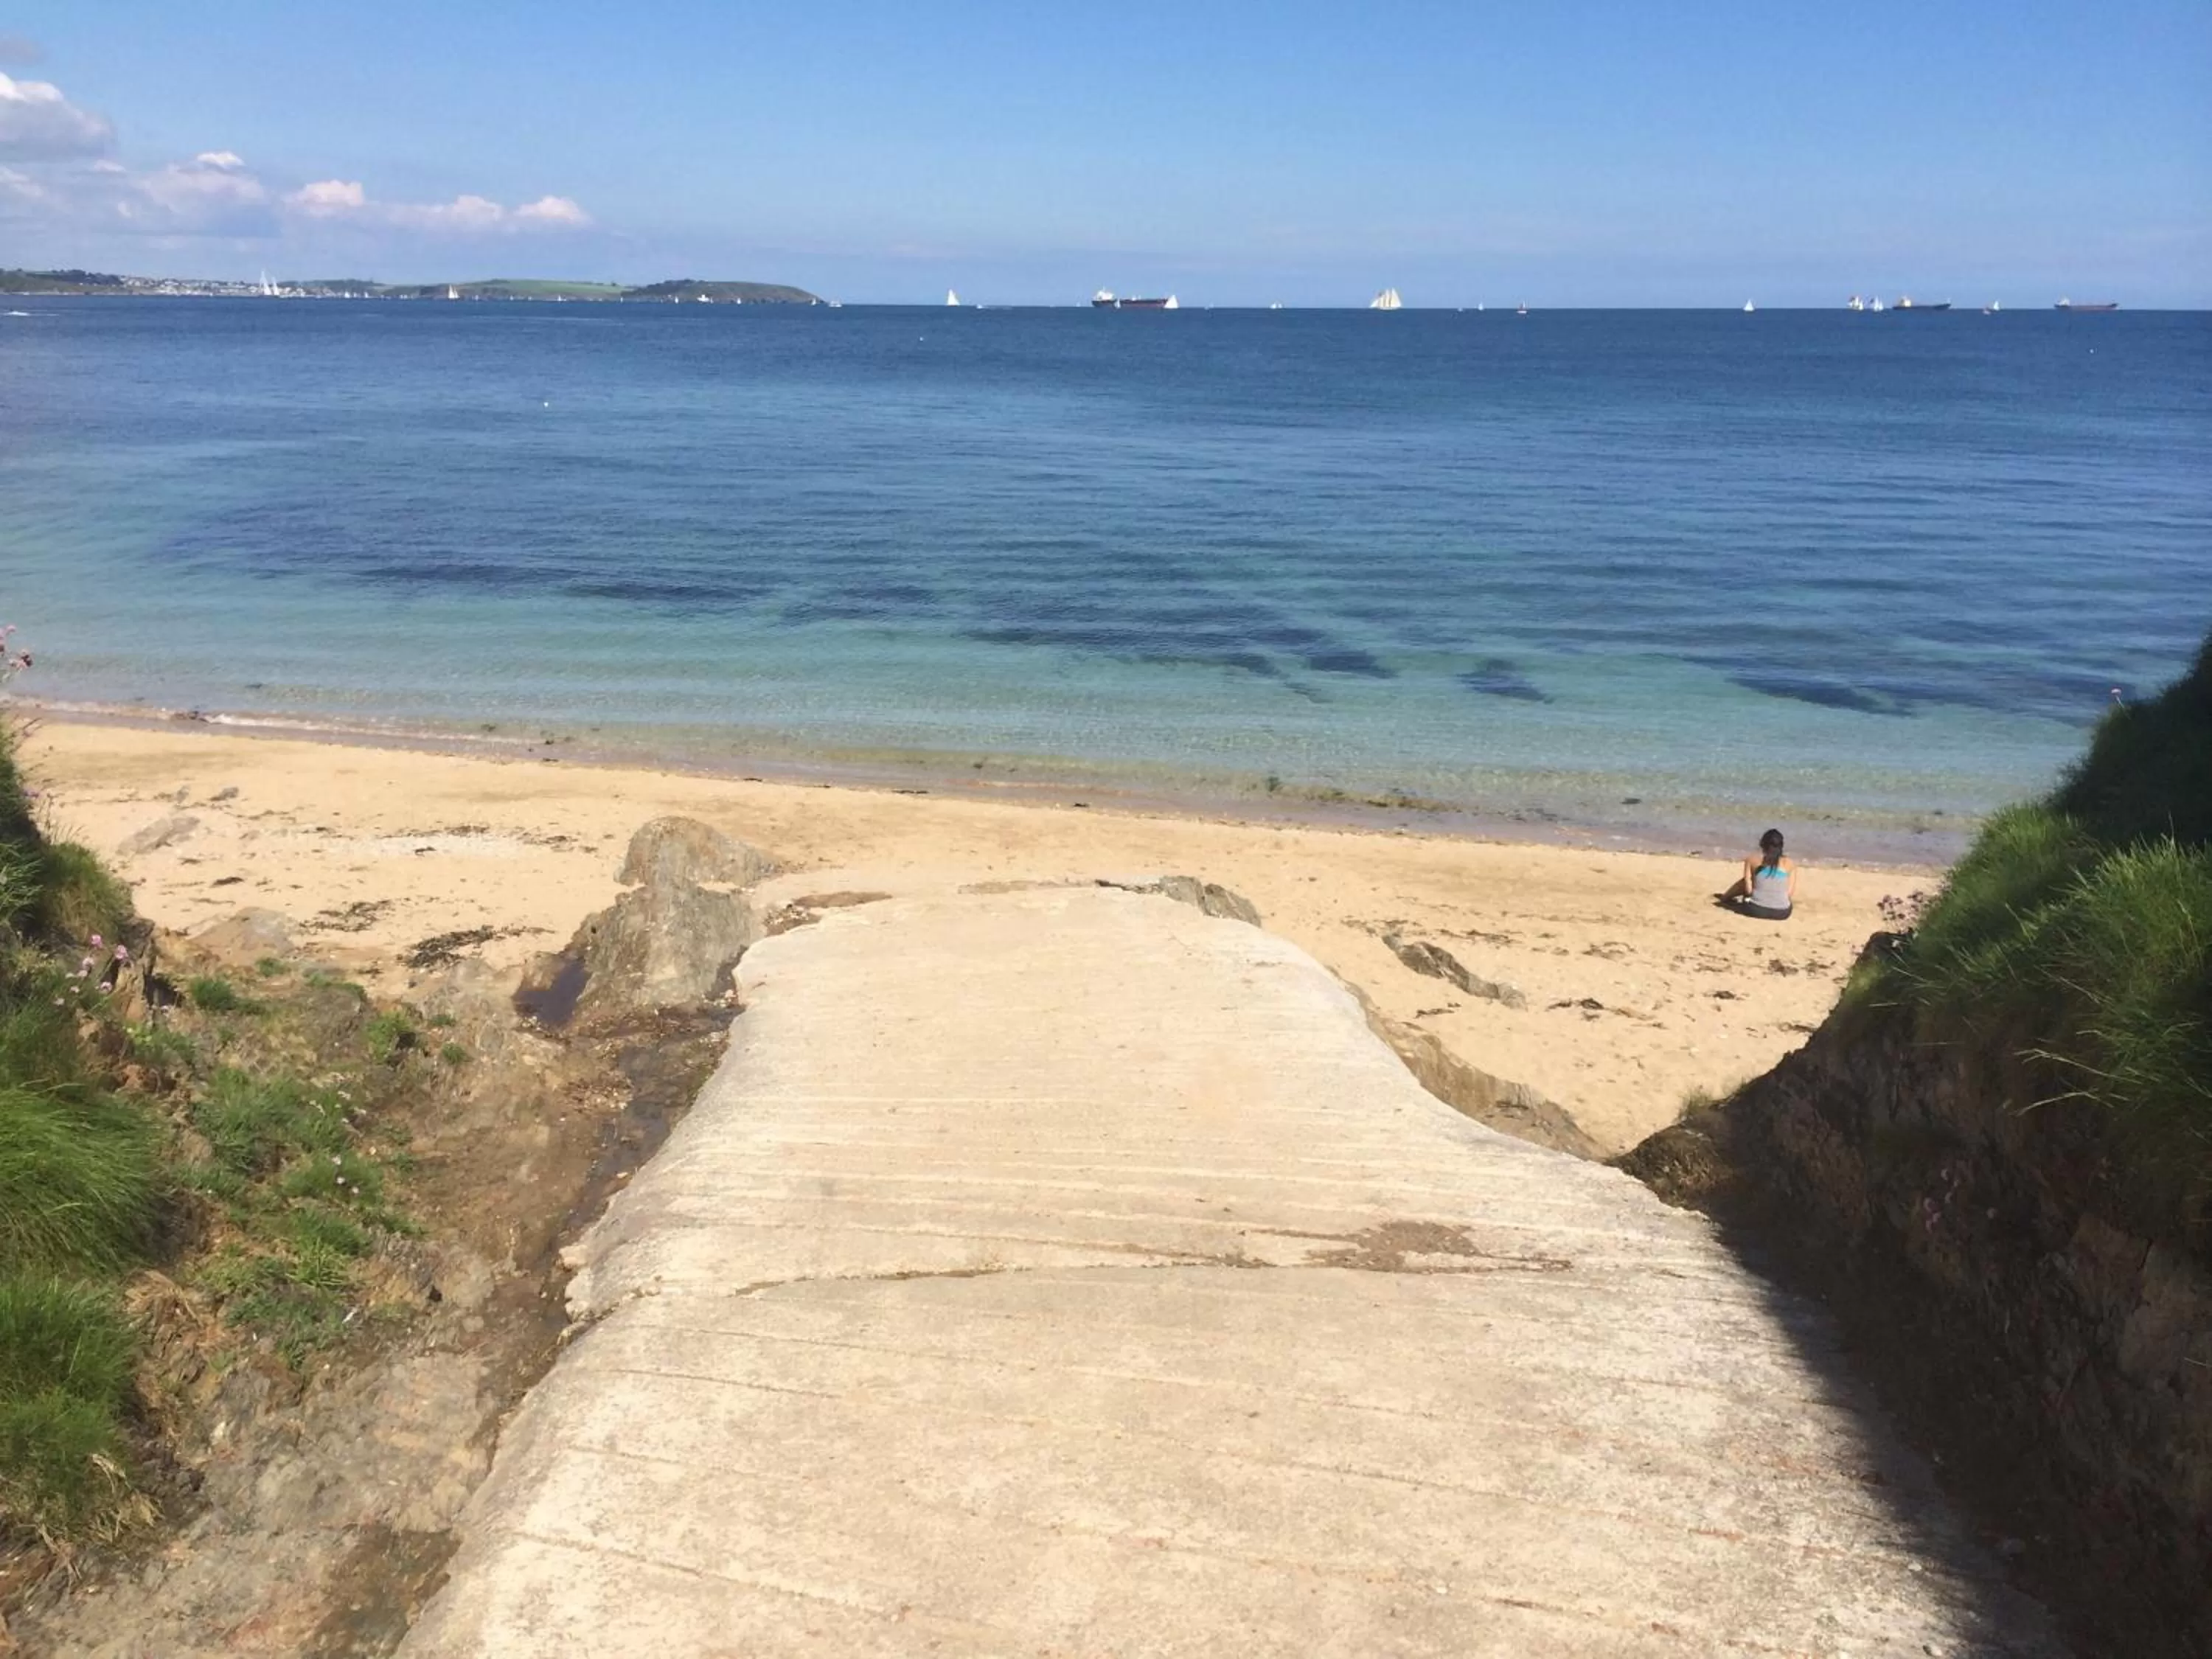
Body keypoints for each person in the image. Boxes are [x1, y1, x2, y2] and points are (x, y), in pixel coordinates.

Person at [1721, 828, 1796, 920]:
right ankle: (1726, 897)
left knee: (1747, 881)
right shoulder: (1790, 864)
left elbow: (1748, 890)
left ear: (1762, 845)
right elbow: (1789, 894)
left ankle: (1726, 897)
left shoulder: (1753, 860)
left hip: (1755, 909)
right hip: (1782, 913)